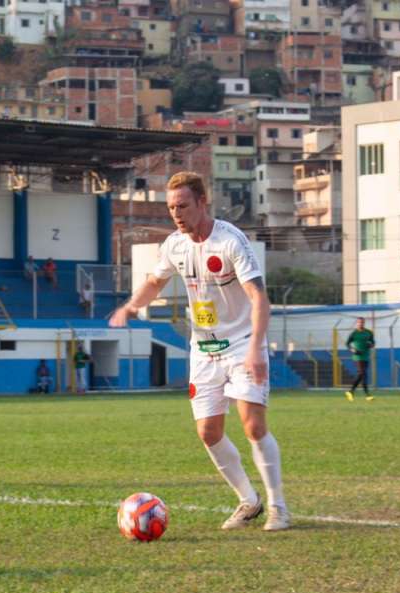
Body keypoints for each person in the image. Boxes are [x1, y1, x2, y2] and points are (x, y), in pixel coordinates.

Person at [109, 171, 290, 532]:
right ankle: (248, 500)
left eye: (183, 206)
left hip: (242, 344)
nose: (176, 214)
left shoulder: (230, 241)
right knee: (208, 432)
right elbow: (154, 282)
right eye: (171, 208)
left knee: (253, 425)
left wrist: (256, 348)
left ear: (202, 202)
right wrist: (130, 307)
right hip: (204, 350)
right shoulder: (174, 245)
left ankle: (278, 507)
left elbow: (259, 298)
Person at [345, 317, 376, 402]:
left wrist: (371, 345)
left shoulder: (368, 332)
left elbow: (373, 342)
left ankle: (351, 392)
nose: (360, 324)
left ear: (364, 323)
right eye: (359, 322)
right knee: (362, 373)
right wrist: (352, 350)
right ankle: (367, 395)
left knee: (363, 375)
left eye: (362, 322)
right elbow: (347, 344)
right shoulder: (354, 333)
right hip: (357, 357)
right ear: (356, 323)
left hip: (365, 356)